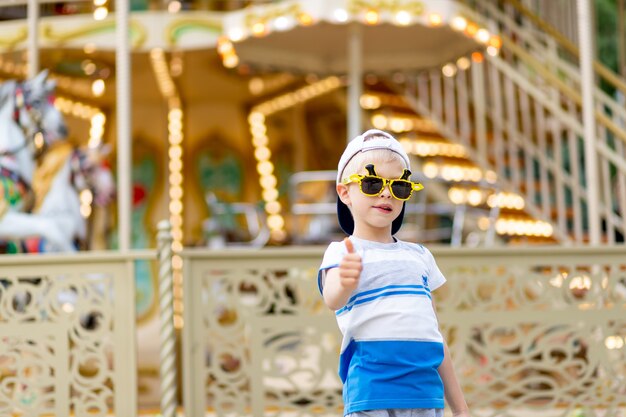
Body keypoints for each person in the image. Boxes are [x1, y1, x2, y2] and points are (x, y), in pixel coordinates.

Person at [318, 129, 470, 417]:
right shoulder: (344, 252)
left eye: (399, 186)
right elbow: (332, 298)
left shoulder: (420, 256)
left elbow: (433, 335)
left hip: (427, 395)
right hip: (373, 394)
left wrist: (460, 408)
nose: (386, 192)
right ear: (344, 191)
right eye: (372, 183)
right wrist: (344, 281)